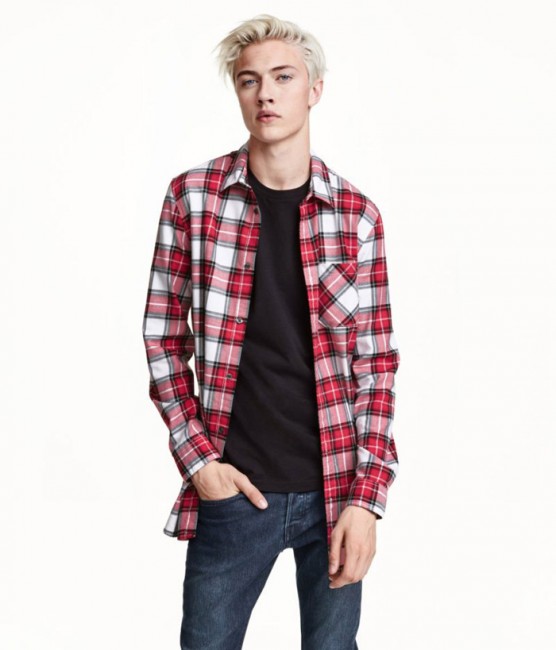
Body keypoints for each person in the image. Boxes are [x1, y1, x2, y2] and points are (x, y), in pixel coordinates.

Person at [142, 13, 401, 650]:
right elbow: (164, 340)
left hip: (335, 492)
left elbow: (376, 366)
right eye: (250, 80)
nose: (266, 94)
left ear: (314, 89)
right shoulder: (192, 199)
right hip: (235, 491)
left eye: (283, 77)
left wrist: (367, 499)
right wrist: (201, 464)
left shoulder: (357, 216)